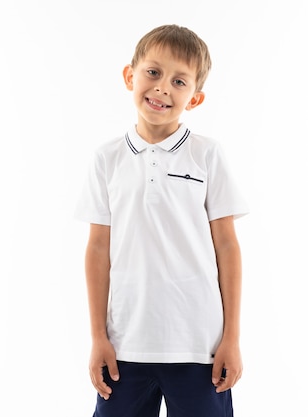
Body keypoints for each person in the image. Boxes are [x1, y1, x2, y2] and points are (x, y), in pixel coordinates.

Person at [75, 24, 249, 417]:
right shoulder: (107, 159)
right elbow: (98, 249)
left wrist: (232, 339)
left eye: (179, 80)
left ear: (196, 97)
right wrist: (98, 337)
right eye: (153, 72)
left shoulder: (207, 155)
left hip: (199, 346)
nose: (162, 88)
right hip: (125, 348)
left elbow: (227, 247)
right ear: (129, 75)